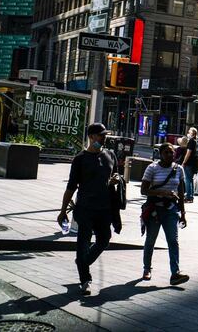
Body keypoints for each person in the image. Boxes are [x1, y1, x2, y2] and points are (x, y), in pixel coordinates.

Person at [57, 123, 121, 296]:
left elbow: (115, 177)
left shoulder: (111, 155)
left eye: (105, 135)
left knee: (104, 239)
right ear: (91, 137)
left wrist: (116, 180)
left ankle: (82, 262)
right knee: (83, 241)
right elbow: (71, 187)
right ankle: (85, 279)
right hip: (85, 208)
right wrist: (63, 211)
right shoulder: (80, 159)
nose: (104, 138)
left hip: (104, 208)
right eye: (101, 135)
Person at [140, 142, 190, 285]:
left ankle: (175, 273)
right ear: (160, 154)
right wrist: (164, 192)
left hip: (170, 211)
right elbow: (143, 190)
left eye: (172, 152)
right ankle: (147, 268)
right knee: (151, 240)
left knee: (173, 241)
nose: (170, 155)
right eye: (166, 152)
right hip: (155, 210)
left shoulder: (178, 169)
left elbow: (180, 192)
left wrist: (183, 214)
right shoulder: (152, 168)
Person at [180, 127, 198, 203]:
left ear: (192, 133)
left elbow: (188, 153)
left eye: (189, 132)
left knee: (187, 180)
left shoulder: (191, 141)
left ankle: (188, 197)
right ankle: (191, 196)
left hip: (189, 163)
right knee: (191, 180)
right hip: (196, 163)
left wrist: (184, 162)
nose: (188, 133)